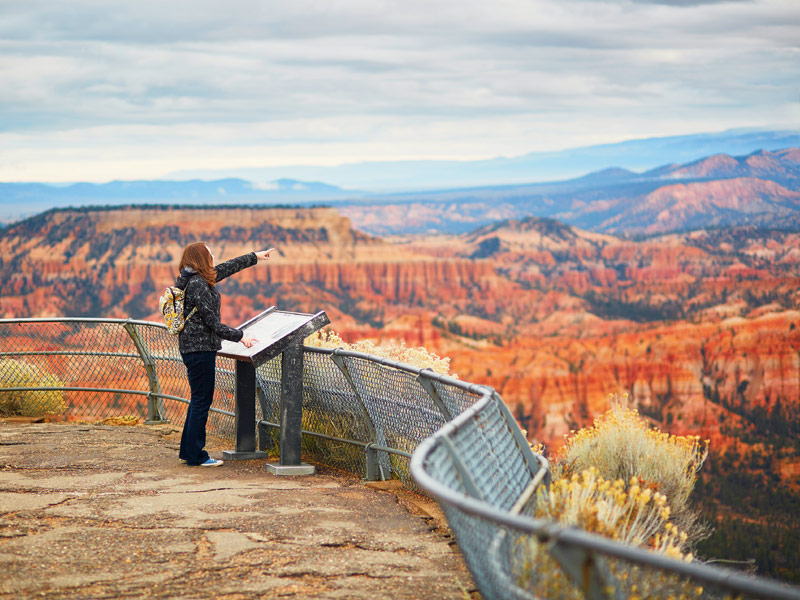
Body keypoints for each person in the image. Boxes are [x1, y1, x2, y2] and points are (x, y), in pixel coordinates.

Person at [175, 242, 275, 467]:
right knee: (201, 401)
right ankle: (197, 456)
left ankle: (189, 451)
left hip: (194, 348)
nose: (212, 253)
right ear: (201, 257)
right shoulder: (199, 284)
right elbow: (212, 322)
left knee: (198, 400)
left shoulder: (194, 278)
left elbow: (228, 267)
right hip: (199, 349)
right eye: (209, 251)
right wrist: (240, 336)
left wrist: (255, 257)